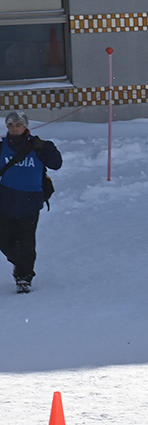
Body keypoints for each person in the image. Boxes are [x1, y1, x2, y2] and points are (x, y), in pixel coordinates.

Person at [0, 111, 62, 293]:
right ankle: (21, 264)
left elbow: (56, 164)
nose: (14, 129)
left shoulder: (38, 146)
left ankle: (24, 276)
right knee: (4, 239)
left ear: (26, 126)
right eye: (11, 125)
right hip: (5, 200)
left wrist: (48, 148)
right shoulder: (2, 146)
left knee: (26, 241)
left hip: (30, 202)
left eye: (18, 125)